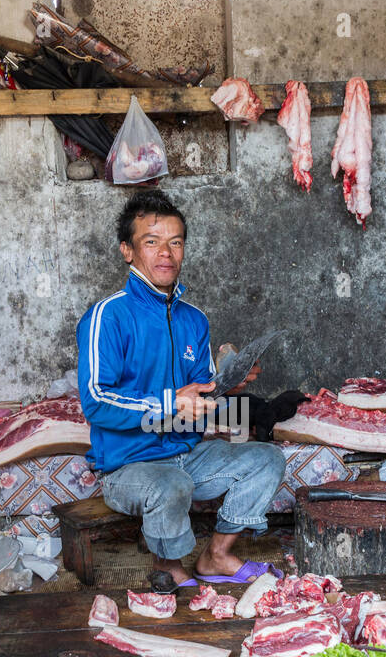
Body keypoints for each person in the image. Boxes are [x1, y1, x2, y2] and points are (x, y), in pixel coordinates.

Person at [75, 190, 286, 586]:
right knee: (171, 484)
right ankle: (167, 566)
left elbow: (203, 401)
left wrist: (232, 384)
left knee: (267, 459)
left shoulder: (194, 319)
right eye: (151, 242)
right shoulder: (108, 316)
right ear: (127, 251)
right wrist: (172, 402)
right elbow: (96, 402)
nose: (165, 253)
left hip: (187, 456)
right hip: (129, 468)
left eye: (175, 242)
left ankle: (216, 556)